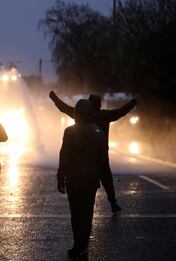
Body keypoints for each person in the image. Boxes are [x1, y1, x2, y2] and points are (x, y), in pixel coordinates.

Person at [50, 91, 137, 213]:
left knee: (85, 180)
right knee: (107, 179)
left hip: (82, 159)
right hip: (101, 156)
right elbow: (121, 111)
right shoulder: (105, 115)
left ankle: (86, 206)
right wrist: (134, 101)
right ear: (100, 105)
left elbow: (63, 108)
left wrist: (53, 97)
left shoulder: (79, 116)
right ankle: (113, 203)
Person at [57, 99, 106, 261]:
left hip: (74, 178)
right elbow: (103, 160)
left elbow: (64, 156)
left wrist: (60, 177)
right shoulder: (99, 132)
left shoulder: (70, 132)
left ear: (76, 114)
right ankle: (82, 248)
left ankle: (77, 245)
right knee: (87, 213)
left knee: (75, 214)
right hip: (91, 180)